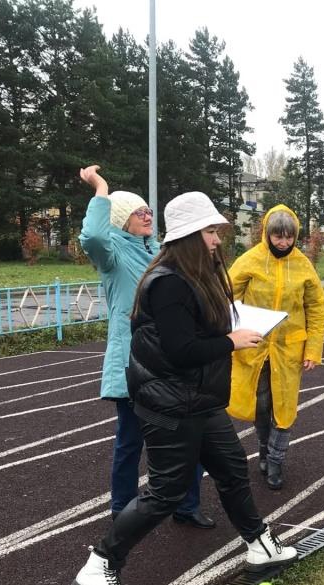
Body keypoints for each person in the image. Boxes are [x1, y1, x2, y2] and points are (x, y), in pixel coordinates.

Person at [72, 191, 298, 585]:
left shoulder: (191, 277)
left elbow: (195, 334)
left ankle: (260, 543)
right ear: (192, 235)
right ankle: (101, 563)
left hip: (199, 399)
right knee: (165, 492)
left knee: (231, 469)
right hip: (171, 403)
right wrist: (230, 340)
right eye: (211, 231)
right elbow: (180, 350)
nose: (217, 240)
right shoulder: (169, 283)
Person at [78, 165, 212, 529]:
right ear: (122, 220)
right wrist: (101, 187)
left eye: (149, 211)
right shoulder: (113, 256)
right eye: (140, 212)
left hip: (173, 361)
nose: (148, 215)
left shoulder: (159, 251)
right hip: (133, 365)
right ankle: (122, 511)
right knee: (131, 443)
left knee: (188, 437)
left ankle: (187, 506)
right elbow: (92, 237)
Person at [226, 205, 324, 490]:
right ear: (267, 235)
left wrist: (313, 349)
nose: (283, 243)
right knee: (260, 405)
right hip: (254, 346)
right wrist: (232, 331)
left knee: (284, 406)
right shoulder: (251, 260)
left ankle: (275, 461)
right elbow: (226, 296)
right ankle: (263, 449)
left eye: (288, 237)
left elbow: (316, 307)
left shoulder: (303, 265)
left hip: (288, 349)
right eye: (277, 237)